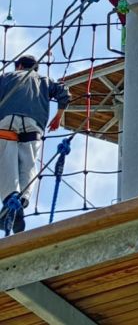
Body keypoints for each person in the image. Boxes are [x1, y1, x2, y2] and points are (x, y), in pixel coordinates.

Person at [0, 55, 70, 232]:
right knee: (29, 164)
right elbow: (64, 93)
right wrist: (58, 116)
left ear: (19, 66)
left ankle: (10, 199)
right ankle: (21, 201)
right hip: (34, 126)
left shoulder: (7, 77)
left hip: (7, 122)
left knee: (6, 161)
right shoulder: (45, 80)